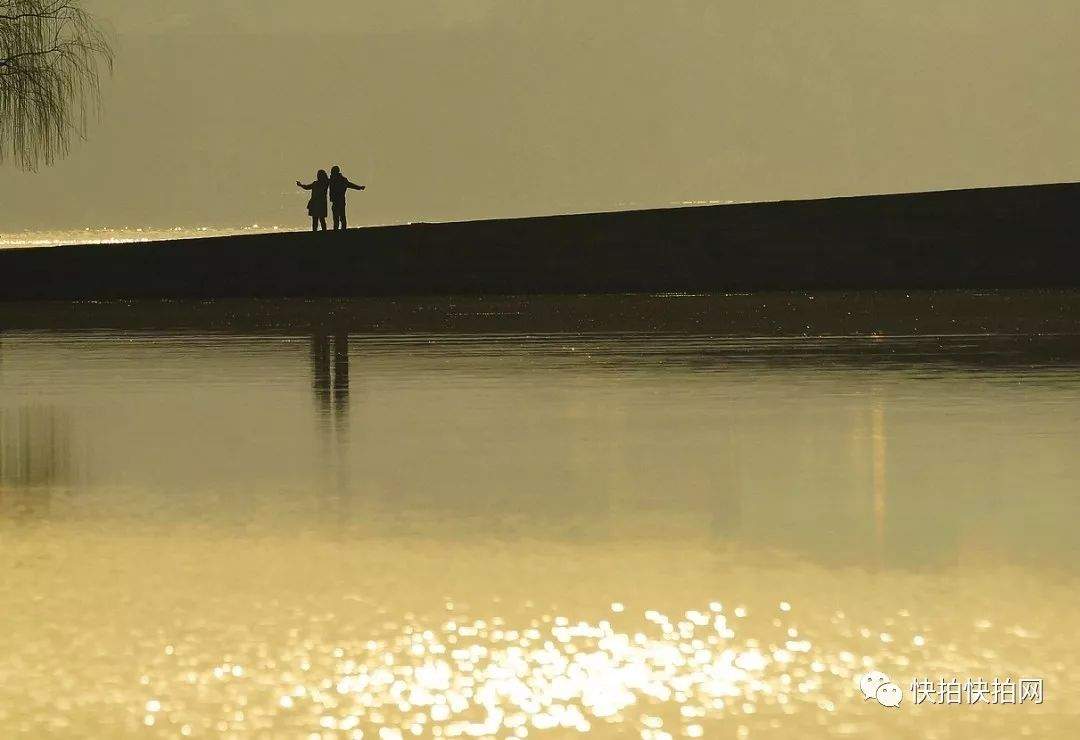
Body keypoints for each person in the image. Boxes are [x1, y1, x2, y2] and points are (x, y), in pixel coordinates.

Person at [328, 165, 366, 231]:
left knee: (340, 217)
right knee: (338, 217)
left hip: (339, 200)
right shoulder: (333, 180)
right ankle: (339, 230)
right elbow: (350, 185)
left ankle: (341, 230)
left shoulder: (338, 180)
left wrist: (359, 187)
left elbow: (350, 185)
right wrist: (359, 187)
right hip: (337, 201)